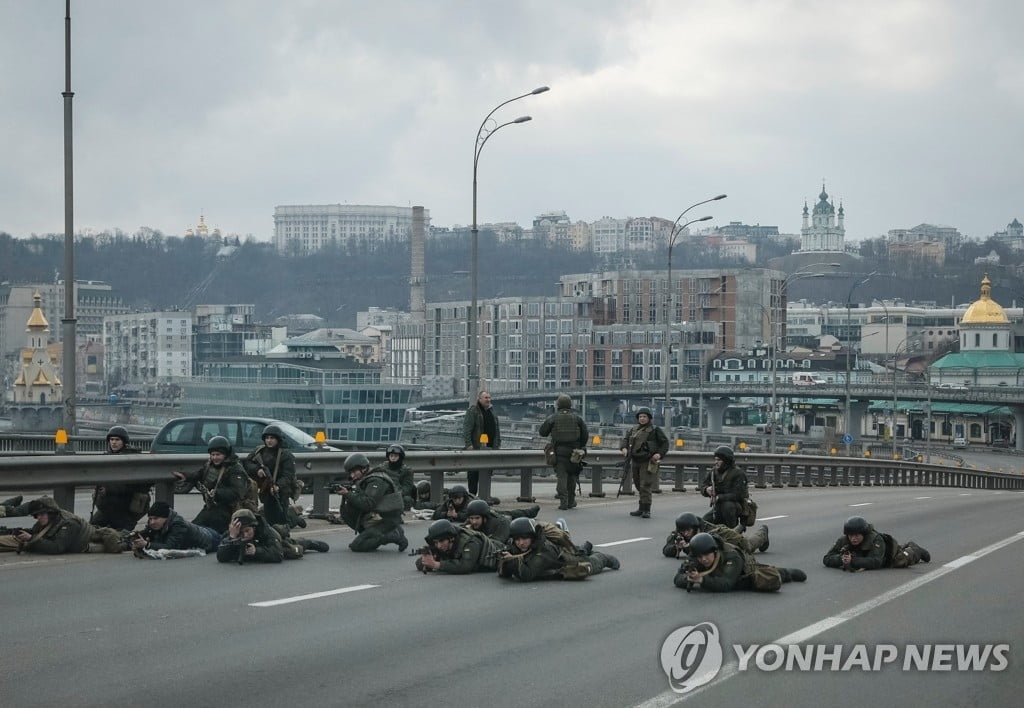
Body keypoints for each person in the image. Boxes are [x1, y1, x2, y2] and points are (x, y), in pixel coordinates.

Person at [172, 436, 255, 534]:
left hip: (228, 511)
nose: (215, 458)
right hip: (211, 508)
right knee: (192, 529)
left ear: (226, 454)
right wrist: (186, 476)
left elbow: (237, 493)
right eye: (212, 454)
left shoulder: (235, 469)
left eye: (218, 454)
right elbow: (200, 474)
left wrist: (217, 493)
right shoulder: (209, 465)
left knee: (199, 532)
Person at [674, 532, 806, 593]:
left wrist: (701, 580)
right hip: (717, 575)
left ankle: (787, 573)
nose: (703, 559)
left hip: (744, 571)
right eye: (700, 557)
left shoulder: (732, 556)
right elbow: (677, 578)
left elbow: (726, 585)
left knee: (763, 578)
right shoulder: (696, 554)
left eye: (707, 555)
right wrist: (690, 578)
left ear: (714, 551)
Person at [498, 517, 620, 581]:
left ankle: (603, 557)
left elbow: (527, 575)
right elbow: (506, 574)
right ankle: (583, 548)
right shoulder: (515, 546)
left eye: (524, 539)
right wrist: (503, 559)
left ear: (532, 537)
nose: (521, 543)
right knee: (578, 549)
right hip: (556, 548)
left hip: (565, 560)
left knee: (590, 563)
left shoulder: (542, 554)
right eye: (517, 540)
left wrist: (511, 560)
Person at [332, 452, 408, 552]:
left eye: (354, 472)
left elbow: (368, 503)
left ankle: (394, 535)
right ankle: (370, 535)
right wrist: (349, 491)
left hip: (387, 520)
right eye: (350, 473)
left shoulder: (376, 480)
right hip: (377, 517)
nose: (352, 475)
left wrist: (347, 494)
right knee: (349, 508)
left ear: (363, 468)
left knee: (357, 546)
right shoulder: (365, 478)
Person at [0, 496, 124, 555]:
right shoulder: (49, 519)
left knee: (121, 539)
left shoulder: (69, 524)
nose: (38, 518)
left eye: (41, 514)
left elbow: (57, 548)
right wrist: (21, 533)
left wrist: (31, 539)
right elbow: (36, 532)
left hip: (88, 543)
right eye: (36, 516)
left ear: (50, 512)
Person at [89, 425, 152, 531]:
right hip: (109, 506)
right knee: (91, 530)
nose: (113, 442)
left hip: (126, 506)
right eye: (111, 439)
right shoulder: (107, 458)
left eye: (117, 440)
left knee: (119, 536)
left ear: (124, 442)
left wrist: (108, 489)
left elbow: (133, 484)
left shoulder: (132, 458)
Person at [243, 424, 304, 528]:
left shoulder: (285, 455)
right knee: (269, 517)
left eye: (272, 438)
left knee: (282, 519)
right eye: (267, 438)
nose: (269, 441)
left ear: (278, 439)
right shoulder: (259, 451)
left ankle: (294, 519)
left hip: (281, 490)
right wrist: (257, 470)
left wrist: (278, 486)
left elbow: (288, 476)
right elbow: (247, 463)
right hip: (265, 488)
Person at [216, 509, 328, 564]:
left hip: (275, 541)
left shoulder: (265, 530)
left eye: (247, 531)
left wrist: (257, 551)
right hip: (261, 547)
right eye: (241, 532)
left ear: (254, 527)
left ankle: (308, 543)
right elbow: (221, 557)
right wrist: (232, 538)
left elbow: (278, 555)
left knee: (291, 550)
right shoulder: (232, 533)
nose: (245, 535)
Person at [823, 516, 930, 571]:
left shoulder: (875, 539)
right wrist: (840, 559)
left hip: (890, 556)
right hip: (868, 556)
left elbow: (876, 562)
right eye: (851, 535)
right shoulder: (844, 540)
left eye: (857, 535)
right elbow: (827, 558)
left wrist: (853, 561)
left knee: (903, 559)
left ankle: (916, 549)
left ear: (863, 534)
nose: (853, 538)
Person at [538, 393, 589, 510]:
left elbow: (542, 432)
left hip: (559, 453)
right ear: (570, 405)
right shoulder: (577, 418)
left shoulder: (553, 418)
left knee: (562, 477)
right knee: (572, 476)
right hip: (575, 453)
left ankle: (563, 502)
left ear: (558, 405)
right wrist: (580, 447)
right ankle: (571, 501)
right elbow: (585, 435)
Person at [619, 407, 669, 518]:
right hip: (635, 460)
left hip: (648, 460)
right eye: (640, 416)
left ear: (649, 418)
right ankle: (641, 508)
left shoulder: (655, 430)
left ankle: (647, 509)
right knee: (637, 484)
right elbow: (625, 440)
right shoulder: (634, 429)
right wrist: (623, 448)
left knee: (645, 485)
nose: (642, 419)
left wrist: (659, 454)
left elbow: (665, 443)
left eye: (644, 417)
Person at [662, 512, 769, 559]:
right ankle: (740, 527)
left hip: (723, 535)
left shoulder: (708, 532)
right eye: (682, 531)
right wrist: (676, 547)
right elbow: (666, 550)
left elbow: (711, 548)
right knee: (734, 532)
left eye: (688, 531)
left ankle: (763, 532)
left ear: (694, 527)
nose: (685, 534)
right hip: (722, 532)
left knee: (747, 546)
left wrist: (688, 546)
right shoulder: (679, 533)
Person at [129, 501, 222, 554]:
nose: (152, 522)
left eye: (156, 518)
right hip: (200, 529)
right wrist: (134, 538)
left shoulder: (178, 525)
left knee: (224, 540)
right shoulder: (156, 524)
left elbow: (170, 547)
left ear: (165, 517)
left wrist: (146, 544)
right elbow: (147, 532)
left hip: (211, 539)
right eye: (150, 519)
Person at [415, 519, 503, 574]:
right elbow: (419, 563)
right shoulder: (440, 544)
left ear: (451, 539)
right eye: (436, 542)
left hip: (498, 553)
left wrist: (436, 564)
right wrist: (426, 561)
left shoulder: (470, 541)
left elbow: (465, 566)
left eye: (441, 541)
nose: (438, 546)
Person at [699, 446, 749, 528]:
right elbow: (703, 486)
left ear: (726, 461)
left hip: (734, 506)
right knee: (703, 523)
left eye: (719, 460)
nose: (716, 462)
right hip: (718, 507)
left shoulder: (738, 473)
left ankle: (733, 531)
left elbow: (739, 495)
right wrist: (706, 490)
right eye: (715, 459)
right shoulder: (713, 472)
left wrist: (720, 497)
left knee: (727, 506)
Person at [463, 390, 501, 496]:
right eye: (486, 398)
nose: (488, 400)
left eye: (489, 397)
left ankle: (484, 496)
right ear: (479, 399)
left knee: (486, 472)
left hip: (489, 448)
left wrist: (497, 444)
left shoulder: (492, 411)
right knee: (474, 473)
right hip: (476, 448)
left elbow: (496, 428)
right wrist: (468, 444)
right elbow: (467, 429)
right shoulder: (473, 411)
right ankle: (472, 496)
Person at [373, 444, 416, 510]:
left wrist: (394, 495)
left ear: (400, 457)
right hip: (384, 494)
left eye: (396, 456)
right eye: (391, 456)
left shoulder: (406, 470)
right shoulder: (382, 467)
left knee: (407, 500)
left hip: (398, 496)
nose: (393, 458)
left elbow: (407, 488)